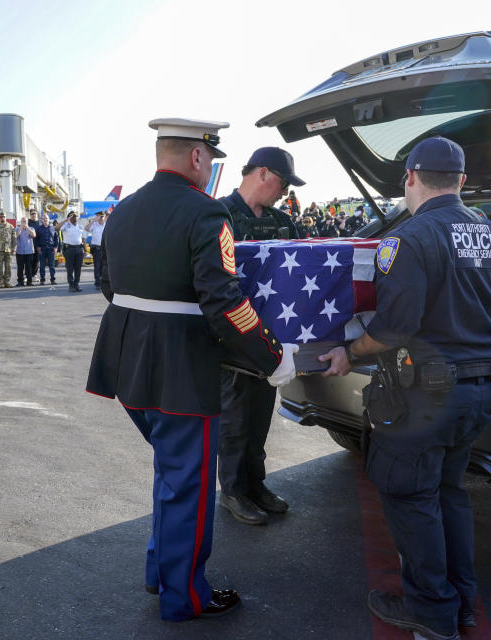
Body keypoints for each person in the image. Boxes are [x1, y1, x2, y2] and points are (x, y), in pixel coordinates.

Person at [86, 118, 290, 622]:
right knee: (189, 485)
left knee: (170, 473)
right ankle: (185, 596)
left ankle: (161, 572)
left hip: (128, 365)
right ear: (198, 157)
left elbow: (109, 286)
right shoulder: (206, 213)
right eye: (210, 158)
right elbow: (224, 302)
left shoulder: (123, 210)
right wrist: (272, 356)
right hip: (180, 372)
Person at [319, 136, 491, 640]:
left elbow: (392, 330)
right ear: (462, 182)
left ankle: (432, 613)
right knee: (449, 493)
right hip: (481, 391)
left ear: (410, 177)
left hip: (424, 400)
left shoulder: (408, 239)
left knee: (411, 498)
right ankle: (462, 603)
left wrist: (349, 352)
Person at [213, 147, 303, 526]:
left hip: (268, 338)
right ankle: (233, 491)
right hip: (229, 337)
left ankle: (255, 485)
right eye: (283, 183)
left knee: (260, 415)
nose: (285, 192)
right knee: (233, 419)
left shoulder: (284, 222)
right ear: (263, 173)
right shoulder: (217, 214)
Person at [60, 212, 85, 292]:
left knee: (78, 268)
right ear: (69, 218)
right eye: (72, 216)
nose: (75, 217)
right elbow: (57, 228)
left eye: (76, 216)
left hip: (79, 248)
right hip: (69, 249)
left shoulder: (80, 226)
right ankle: (71, 285)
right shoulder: (66, 225)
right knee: (70, 268)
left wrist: (85, 249)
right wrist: (66, 220)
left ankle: (76, 284)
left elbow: (83, 238)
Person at [0, 212, 16, 288]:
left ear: (6, 217)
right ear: (0, 217)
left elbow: (14, 238)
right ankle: (1, 282)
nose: (3, 218)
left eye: (4, 216)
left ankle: (7, 281)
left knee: (8, 266)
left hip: (8, 249)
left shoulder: (10, 226)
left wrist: (14, 248)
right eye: (1, 216)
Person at [85, 210, 107, 289]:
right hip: (97, 249)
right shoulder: (94, 225)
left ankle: (103, 282)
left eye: (102, 216)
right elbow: (86, 228)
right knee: (97, 266)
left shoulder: (106, 225)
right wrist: (94, 220)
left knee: (104, 266)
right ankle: (97, 282)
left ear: (104, 217)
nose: (100, 218)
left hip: (105, 249)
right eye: (99, 217)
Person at [36, 213, 58, 285]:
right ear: (42, 220)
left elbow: (56, 239)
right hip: (42, 249)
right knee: (42, 265)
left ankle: (52, 279)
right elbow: (37, 239)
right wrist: (38, 247)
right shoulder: (39, 229)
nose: (45, 220)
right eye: (44, 218)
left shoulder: (53, 228)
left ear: (49, 219)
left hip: (51, 249)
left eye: (46, 218)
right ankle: (42, 280)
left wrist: (56, 247)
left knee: (52, 265)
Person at [15, 216, 36, 286]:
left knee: (29, 267)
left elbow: (33, 235)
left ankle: (29, 282)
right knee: (20, 267)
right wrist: (21, 227)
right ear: (20, 222)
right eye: (22, 221)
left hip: (29, 251)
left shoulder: (31, 228)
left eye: (25, 221)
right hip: (19, 251)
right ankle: (20, 282)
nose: (24, 223)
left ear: (27, 222)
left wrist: (26, 227)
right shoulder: (17, 229)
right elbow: (15, 236)